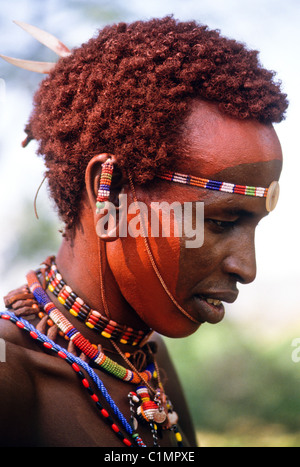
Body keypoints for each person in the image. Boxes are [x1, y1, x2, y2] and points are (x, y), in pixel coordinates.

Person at [0, 15, 288, 448]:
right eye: (222, 222)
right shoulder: (10, 376)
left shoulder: (144, 360)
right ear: (111, 195)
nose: (246, 268)